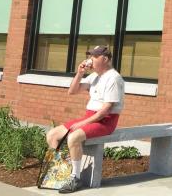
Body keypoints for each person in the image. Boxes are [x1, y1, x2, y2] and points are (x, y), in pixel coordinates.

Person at [44, 45, 125, 194]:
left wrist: (82, 123)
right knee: (52, 135)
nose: (90, 60)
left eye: (94, 57)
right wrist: (79, 73)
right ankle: (61, 173)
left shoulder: (114, 78)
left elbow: (106, 110)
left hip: (105, 121)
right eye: (90, 56)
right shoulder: (94, 76)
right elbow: (72, 91)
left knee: (73, 137)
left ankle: (75, 178)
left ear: (105, 59)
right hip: (90, 117)